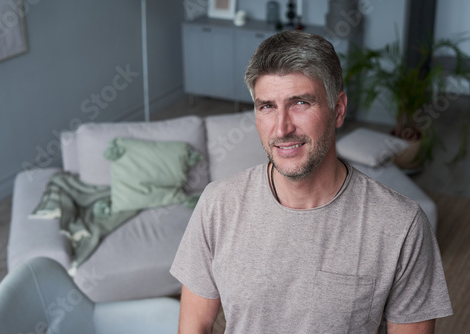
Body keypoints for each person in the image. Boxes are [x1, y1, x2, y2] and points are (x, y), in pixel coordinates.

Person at [170, 30, 452, 333]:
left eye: (300, 103)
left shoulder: (401, 226)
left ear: (338, 110)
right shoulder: (218, 204)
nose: (282, 128)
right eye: (267, 106)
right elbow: (194, 324)